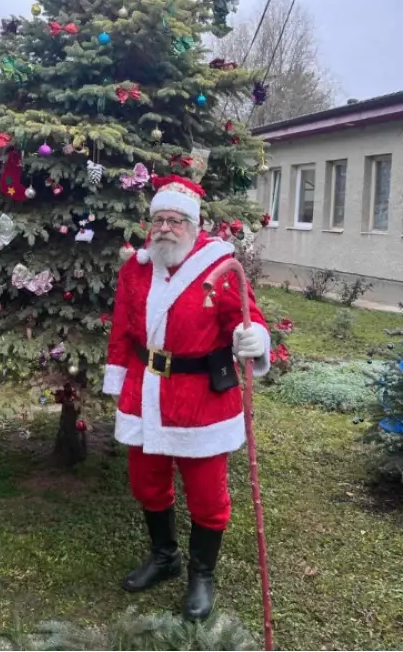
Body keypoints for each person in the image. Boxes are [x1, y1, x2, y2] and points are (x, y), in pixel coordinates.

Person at [102, 175, 271, 620]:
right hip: (146, 390)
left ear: (193, 225)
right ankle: (164, 557)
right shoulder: (134, 269)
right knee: (147, 482)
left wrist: (253, 341)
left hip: (201, 398)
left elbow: (245, 318)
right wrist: (117, 381)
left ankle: (202, 575)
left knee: (206, 493)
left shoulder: (220, 266)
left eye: (176, 220)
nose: (165, 228)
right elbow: (121, 328)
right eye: (158, 219)